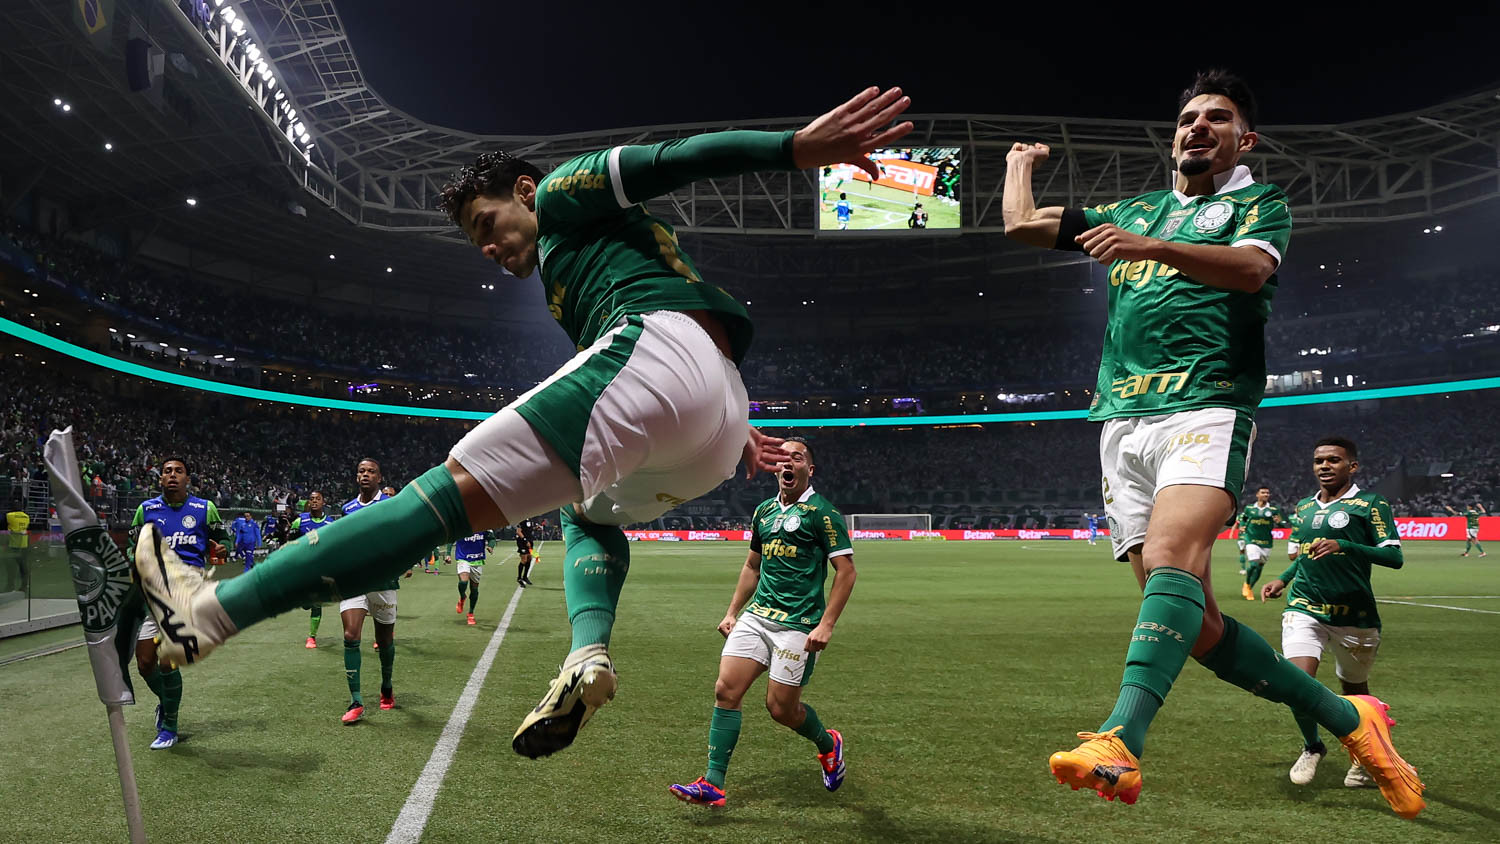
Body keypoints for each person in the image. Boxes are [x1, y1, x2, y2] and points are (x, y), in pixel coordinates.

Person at [132, 86, 912, 761]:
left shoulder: (568, 190)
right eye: (477, 240)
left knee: (435, 500)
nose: (490, 247)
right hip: (712, 421)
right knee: (585, 509)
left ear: (525, 190)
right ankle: (587, 652)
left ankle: (205, 614)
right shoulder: (571, 279)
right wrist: (726, 421)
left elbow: (669, 158)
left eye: (488, 222)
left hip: (666, 358)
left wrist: (794, 148)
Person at [1000, 69, 1422, 816]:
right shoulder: (1136, 207)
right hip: (1120, 421)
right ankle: (1350, 720)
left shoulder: (1258, 203)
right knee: (1194, 623)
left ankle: (1120, 740)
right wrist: (1018, 166)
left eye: (1216, 119)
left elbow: (1254, 269)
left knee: (1169, 561)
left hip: (1206, 403)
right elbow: (1021, 226)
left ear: (1243, 139)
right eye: (1188, 117)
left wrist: (1150, 247)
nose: (1197, 126)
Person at [669, 438, 854, 807]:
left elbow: (846, 573)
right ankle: (713, 783)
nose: (788, 464)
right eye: (783, 459)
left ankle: (828, 743)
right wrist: (732, 611)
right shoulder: (764, 512)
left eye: (796, 458)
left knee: (781, 710)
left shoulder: (823, 513)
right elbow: (753, 566)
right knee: (726, 690)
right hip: (758, 617)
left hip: (798, 625)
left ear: (809, 470)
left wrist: (826, 624)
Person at [1261, 438, 1404, 789]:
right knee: (1297, 684)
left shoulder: (1371, 504)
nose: (1324, 466)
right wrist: (1282, 579)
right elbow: (1307, 554)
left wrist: (1346, 545)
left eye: (1334, 460)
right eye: (1318, 460)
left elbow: (1394, 557)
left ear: (1352, 466)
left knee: (1355, 693)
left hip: (1354, 615)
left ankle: (1361, 758)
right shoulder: (1304, 507)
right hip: (1305, 606)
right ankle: (1313, 746)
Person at [128, 457, 227, 749]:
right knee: (145, 663)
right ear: (161, 479)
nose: (172, 475)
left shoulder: (204, 509)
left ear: (187, 479)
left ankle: (169, 727)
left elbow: (224, 541)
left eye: (178, 471)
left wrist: (222, 548)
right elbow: (131, 547)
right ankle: (166, 702)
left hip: (187, 591)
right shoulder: (146, 510)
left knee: (167, 659)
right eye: (167, 471)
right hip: (153, 591)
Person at [286, 492, 335, 649]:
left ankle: (312, 637)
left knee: (317, 604)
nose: (314, 501)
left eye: (318, 499)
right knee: (306, 602)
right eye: (312, 499)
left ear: (323, 502)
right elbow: (290, 544)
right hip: (302, 568)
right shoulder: (300, 522)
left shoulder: (330, 523)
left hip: (320, 569)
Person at [1237, 486, 1282, 600]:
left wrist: (1279, 522)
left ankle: (1249, 588)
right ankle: (1247, 584)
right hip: (1251, 540)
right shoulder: (1249, 508)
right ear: (1257, 495)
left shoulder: (1273, 510)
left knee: (1259, 568)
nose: (1266, 494)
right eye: (1263, 492)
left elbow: (1281, 525)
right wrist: (1242, 526)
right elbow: (1244, 519)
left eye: (1267, 493)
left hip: (1266, 542)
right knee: (1254, 564)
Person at [454, 529, 494, 625]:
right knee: (463, 581)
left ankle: (471, 613)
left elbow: (492, 538)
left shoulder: (485, 525)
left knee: (474, 588)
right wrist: (447, 554)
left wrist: (490, 546)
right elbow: (451, 540)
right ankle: (462, 597)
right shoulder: (461, 525)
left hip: (477, 560)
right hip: (463, 558)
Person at [514, 517, 537, 587]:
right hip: (522, 542)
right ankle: (519, 578)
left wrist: (536, 528)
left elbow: (528, 529)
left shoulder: (531, 519)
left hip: (530, 541)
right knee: (524, 559)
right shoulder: (522, 519)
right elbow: (518, 531)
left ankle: (525, 577)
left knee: (529, 558)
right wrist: (525, 540)